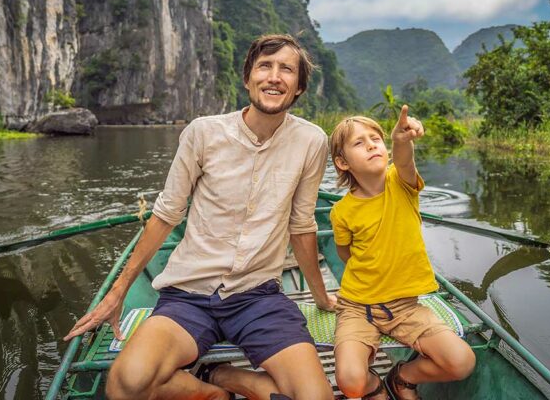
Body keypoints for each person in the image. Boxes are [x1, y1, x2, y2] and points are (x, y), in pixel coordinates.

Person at [65, 34, 337, 400]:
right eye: (265, 67)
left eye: (286, 69)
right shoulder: (204, 132)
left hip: (259, 297)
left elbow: (302, 225)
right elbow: (166, 214)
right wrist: (118, 292)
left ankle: (227, 377)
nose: (274, 77)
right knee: (126, 384)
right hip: (188, 295)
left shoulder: (311, 141)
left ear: (299, 86)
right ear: (247, 78)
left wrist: (321, 297)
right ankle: (210, 392)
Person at [329, 108, 476, 400]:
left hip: (406, 308)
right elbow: (346, 255)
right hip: (357, 307)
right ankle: (374, 388)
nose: (371, 145)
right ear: (342, 162)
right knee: (350, 381)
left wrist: (401, 140)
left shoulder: (401, 184)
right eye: (359, 143)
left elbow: (405, 160)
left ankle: (402, 377)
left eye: (376, 139)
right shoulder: (341, 212)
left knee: (462, 362)